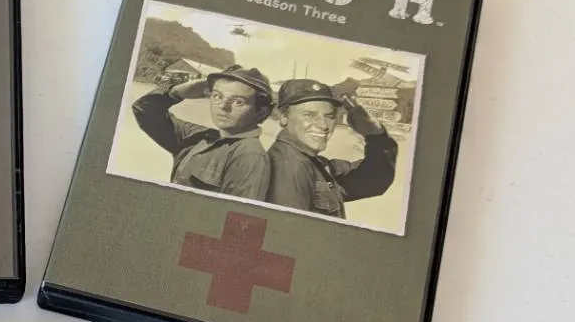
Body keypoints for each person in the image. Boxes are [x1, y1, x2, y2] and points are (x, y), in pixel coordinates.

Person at [128, 64, 274, 199]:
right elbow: (145, 111)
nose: (223, 106)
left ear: (261, 112)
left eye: (238, 101)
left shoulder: (249, 155)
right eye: (217, 96)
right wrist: (175, 93)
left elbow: (234, 213)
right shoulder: (200, 137)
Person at [263, 79, 398, 219]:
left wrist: (376, 136)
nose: (323, 125)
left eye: (329, 116)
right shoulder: (288, 166)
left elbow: (374, 180)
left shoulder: (313, 163)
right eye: (309, 115)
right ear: (284, 117)